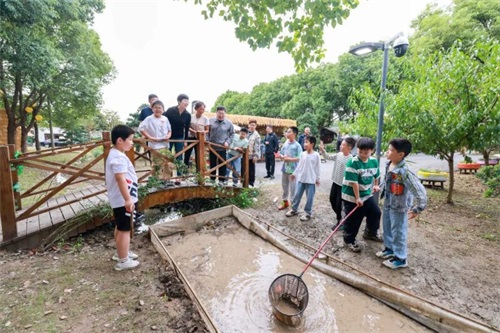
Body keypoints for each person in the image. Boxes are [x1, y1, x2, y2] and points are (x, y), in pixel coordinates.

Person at [377, 138, 427, 269]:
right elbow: (386, 181)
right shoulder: (389, 165)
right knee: (387, 226)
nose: (387, 152)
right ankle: (390, 249)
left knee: (398, 231)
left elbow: (419, 191)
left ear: (401, 154)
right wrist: (380, 188)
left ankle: (400, 258)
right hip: (388, 203)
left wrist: (418, 208)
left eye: (391, 150)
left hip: (399, 207)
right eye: (388, 149)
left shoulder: (404, 172)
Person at [105, 125, 140, 271]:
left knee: (120, 226)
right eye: (130, 140)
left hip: (121, 198)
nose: (132, 143)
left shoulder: (116, 153)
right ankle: (123, 260)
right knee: (125, 228)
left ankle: (121, 252)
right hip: (123, 199)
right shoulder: (118, 157)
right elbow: (120, 178)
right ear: (120, 140)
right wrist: (128, 199)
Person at [342, 137, 383, 253]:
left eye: (366, 152)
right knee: (354, 218)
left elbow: (377, 175)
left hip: (366, 193)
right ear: (357, 149)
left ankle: (370, 232)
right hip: (351, 195)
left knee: (375, 212)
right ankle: (349, 240)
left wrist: (375, 185)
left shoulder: (373, 161)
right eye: (360, 151)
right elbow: (354, 183)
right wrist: (357, 198)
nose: (363, 154)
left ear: (371, 151)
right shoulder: (353, 162)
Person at [320, 137, 357, 229]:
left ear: (349, 148)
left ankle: (340, 221)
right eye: (341, 144)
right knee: (332, 199)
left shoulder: (351, 160)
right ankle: (341, 217)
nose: (341, 146)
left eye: (343, 145)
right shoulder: (339, 155)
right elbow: (328, 157)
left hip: (343, 185)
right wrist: (323, 151)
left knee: (338, 203)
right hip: (335, 182)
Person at [285, 136, 321, 221]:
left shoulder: (316, 155)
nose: (305, 144)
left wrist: (318, 179)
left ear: (312, 144)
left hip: (311, 180)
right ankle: (294, 209)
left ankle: (308, 213)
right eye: (305, 142)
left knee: (310, 198)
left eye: (307, 142)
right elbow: (299, 166)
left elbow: (318, 168)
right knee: (297, 195)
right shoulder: (303, 154)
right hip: (301, 179)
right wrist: (294, 174)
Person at [138, 100, 172, 181]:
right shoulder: (149, 118)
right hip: (155, 146)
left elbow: (169, 130)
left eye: (160, 108)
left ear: (163, 110)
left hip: (165, 145)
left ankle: (166, 180)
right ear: (152, 109)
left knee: (169, 163)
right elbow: (141, 128)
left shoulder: (165, 118)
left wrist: (168, 136)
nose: (157, 109)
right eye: (155, 107)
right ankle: (157, 181)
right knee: (157, 164)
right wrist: (150, 137)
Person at [164, 94, 191, 180]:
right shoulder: (170, 110)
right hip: (169, 137)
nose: (187, 103)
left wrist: (185, 140)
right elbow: (163, 120)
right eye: (185, 101)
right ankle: (167, 176)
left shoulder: (187, 114)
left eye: (188, 101)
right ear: (179, 101)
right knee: (167, 156)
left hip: (179, 137)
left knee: (179, 156)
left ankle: (179, 176)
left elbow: (187, 128)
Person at [208, 106, 234, 184]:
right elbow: (206, 131)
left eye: (222, 113)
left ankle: (221, 180)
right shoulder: (210, 121)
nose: (221, 115)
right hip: (212, 147)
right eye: (219, 113)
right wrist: (207, 141)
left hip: (222, 147)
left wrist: (228, 142)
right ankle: (212, 179)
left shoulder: (228, 123)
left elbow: (232, 134)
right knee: (212, 163)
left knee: (222, 164)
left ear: (225, 113)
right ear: (216, 113)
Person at [278, 126, 302, 210]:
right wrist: (281, 156)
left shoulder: (297, 146)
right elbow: (281, 153)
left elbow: (300, 158)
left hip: (293, 171)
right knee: (284, 187)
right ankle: (285, 203)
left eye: (289, 132)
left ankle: (294, 207)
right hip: (285, 168)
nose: (287, 133)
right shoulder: (285, 143)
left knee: (293, 189)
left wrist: (289, 159)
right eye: (287, 132)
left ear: (294, 134)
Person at [185, 101, 209, 172]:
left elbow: (207, 130)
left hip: (200, 139)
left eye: (203, 109)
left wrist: (202, 132)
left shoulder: (205, 118)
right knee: (187, 154)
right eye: (200, 109)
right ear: (196, 108)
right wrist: (193, 131)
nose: (202, 110)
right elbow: (187, 127)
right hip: (191, 137)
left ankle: (199, 172)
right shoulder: (190, 116)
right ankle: (185, 171)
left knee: (199, 155)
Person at [245, 119, 261, 187]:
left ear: (256, 126)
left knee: (251, 170)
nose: (252, 126)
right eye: (251, 125)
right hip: (243, 155)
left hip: (251, 155)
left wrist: (256, 155)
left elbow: (257, 146)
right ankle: (243, 183)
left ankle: (251, 184)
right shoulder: (244, 132)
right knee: (243, 169)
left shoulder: (257, 135)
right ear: (248, 125)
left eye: (254, 125)